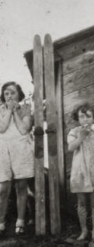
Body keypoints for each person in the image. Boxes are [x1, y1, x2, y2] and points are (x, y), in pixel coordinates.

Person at [0, 82, 34, 236]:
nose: (9, 96)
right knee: (3, 188)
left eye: (12, 93)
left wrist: (15, 112)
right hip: (3, 150)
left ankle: (20, 221)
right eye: (6, 93)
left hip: (21, 149)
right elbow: (2, 127)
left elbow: (23, 129)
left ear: (19, 95)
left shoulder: (25, 109)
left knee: (21, 186)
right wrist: (8, 111)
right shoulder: (0, 110)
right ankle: (1, 221)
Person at [67, 102, 94, 241]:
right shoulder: (74, 132)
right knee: (81, 202)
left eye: (89, 116)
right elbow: (70, 148)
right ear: (78, 118)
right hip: (79, 171)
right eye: (82, 116)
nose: (85, 119)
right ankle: (84, 230)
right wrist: (81, 137)